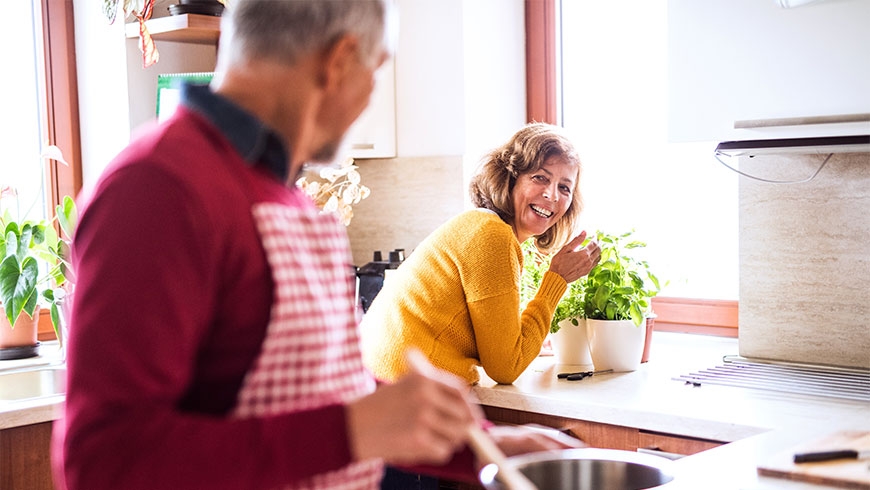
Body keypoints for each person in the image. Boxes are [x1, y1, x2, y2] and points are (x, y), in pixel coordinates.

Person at [51, 2, 580, 489]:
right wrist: (351, 431)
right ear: (340, 60)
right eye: (375, 72)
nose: (370, 97)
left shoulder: (288, 199)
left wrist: (483, 447)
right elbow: (103, 460)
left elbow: (331, 399)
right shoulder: (159, 188)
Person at [361, 123, 601, 386]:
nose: (551, 195)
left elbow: (493, 344)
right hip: (407, 392)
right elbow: (506, 368)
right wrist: (557, 279)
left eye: (564, 187)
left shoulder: (480, 225)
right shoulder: (492, 236)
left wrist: (524, 340)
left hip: (387, 384)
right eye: (540, 178)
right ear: (510, 179)